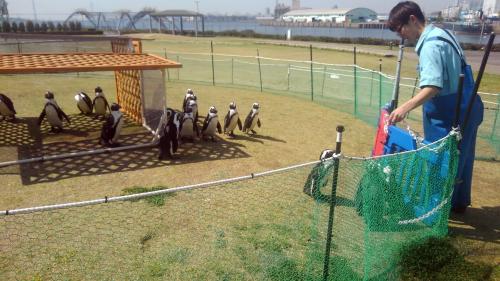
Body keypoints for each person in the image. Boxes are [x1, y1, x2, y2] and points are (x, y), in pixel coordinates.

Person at [387, 1, 484, 214]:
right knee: (462, 159)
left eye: (401, 29)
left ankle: (434, 211)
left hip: (448, 113)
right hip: (469, 106)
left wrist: (406, 107)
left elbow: (433, 86)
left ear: (412, 19)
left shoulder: (430, 45)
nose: (401, 36)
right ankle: (457, 203)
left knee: (439, 163)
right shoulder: (442, 33)